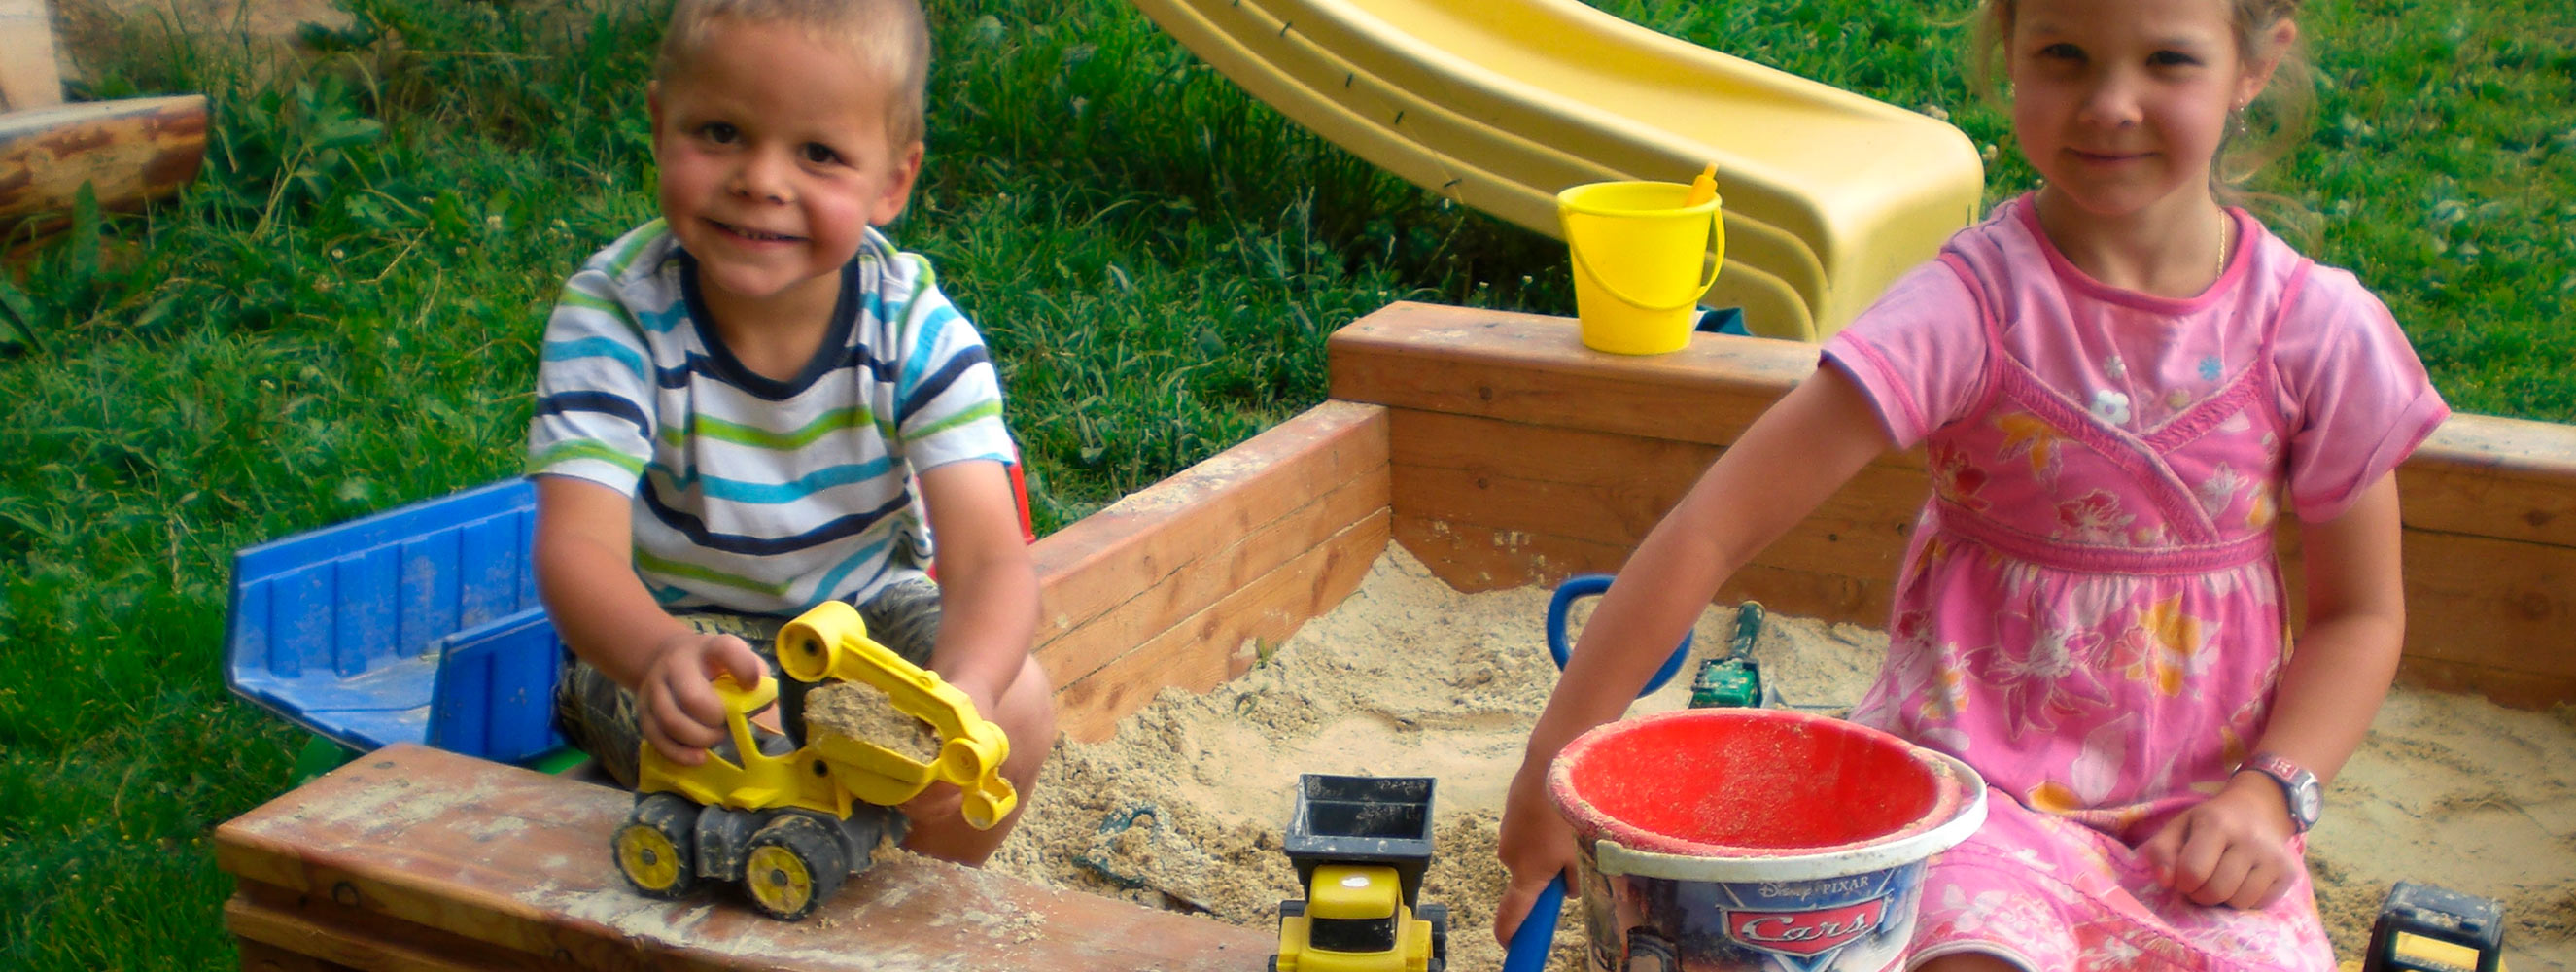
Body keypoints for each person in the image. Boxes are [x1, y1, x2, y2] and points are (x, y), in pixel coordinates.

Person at [1495, 0, 2449, 966]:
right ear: (2008, 51)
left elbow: (2358, 615)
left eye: (2166, 60)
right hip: (1970, 803)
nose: (2109, 103)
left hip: (2203, 830)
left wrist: (2271, 791)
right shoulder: (1972, 309)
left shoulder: (2313, 331)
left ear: (2254, 65)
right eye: (2063, 56)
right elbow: (1713, 527)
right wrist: (1548, 768)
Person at [526, 0, 1052, 866]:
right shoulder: (617, 315)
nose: (762, 180)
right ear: (661, 126)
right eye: (722, 132)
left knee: (1018, 705)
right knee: (735, 747)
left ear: (893, 180)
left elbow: (990, 558)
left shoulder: (913, 328)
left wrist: (965, 697)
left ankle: (911, 905)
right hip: (684, 629)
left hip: (866, 618)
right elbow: (576, 548)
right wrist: (656, 653)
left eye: (818, 153)